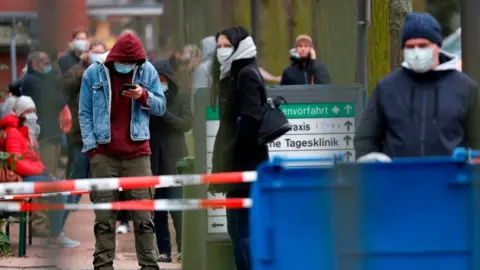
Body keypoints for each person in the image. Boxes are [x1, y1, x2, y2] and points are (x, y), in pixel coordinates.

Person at [79, 32, 167, 270]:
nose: (127, 67)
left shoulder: (147, 70)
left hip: (138, 153)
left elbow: (161, 106)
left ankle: (149, 265)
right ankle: (103, 266)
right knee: (104, 220)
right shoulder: (93, 73)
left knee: (143, 219)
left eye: (132, 63)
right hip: (103, 154)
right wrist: (92, 148)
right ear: (114, 57)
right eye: (124, 62)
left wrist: (143, 95)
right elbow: (84, 113)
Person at [354, 12, 480, 159]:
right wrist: (373, 167)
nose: (417, 52)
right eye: (410, 46)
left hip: (450, 178)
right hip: (398, 178)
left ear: (437, 45)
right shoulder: (386, 88)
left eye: (423, 45)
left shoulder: (465, 88)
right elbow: (366, 138)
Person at [210, 26, 269, 270]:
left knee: (242, 229)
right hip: (235, 163)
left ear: (239, 47)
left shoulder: (245, 74)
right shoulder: (230, 74)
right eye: (219, 46)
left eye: (227, 46)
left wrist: (229, 150)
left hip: (245, 164)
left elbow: (251, 120)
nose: (222, 51)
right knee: (236, 229)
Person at [0, 96, 80, 248]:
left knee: (67, 191)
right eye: (28, 111)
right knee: (61, 191)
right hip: (20, 180)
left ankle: (57, 231)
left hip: (29, 176)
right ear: (20, 113)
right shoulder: (13, 133)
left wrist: (44, 171)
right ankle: (55, 236)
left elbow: (34, 160)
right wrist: (41, 171)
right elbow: (15, 163)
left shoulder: (25, 133)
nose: (33, 115)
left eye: (34, 111)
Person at [21, 51, 72, 236]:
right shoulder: (31, 81)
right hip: (44, 138)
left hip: (53, 136)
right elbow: (55, 98)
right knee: (44, 182)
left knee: (55, 181)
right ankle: (39, 224)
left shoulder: (42, 80)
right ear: (35, 64)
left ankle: (51, 224)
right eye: (44, 62)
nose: (47, 65)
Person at [151, 59, 192, 263]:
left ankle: (184, 248)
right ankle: (164, 250)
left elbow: (186, 124)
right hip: (154, 161)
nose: (159, 82)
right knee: (158, 211)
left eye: (162, 79)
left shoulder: (181, 96)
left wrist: (164, 114)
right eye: (156, 79)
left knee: (178, 208)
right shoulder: (148, 98)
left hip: (175, 159)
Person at [63, 40, 107, 203]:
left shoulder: (108, 71)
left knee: (100, 177)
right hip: (80, 134)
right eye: (94, 51)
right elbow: (64, 86)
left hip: (102, 136)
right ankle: (67, 210)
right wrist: (85, 73)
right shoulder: (77, 70)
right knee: (78, 173)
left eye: (101, 52)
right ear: (88, 53)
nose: (97, 55)